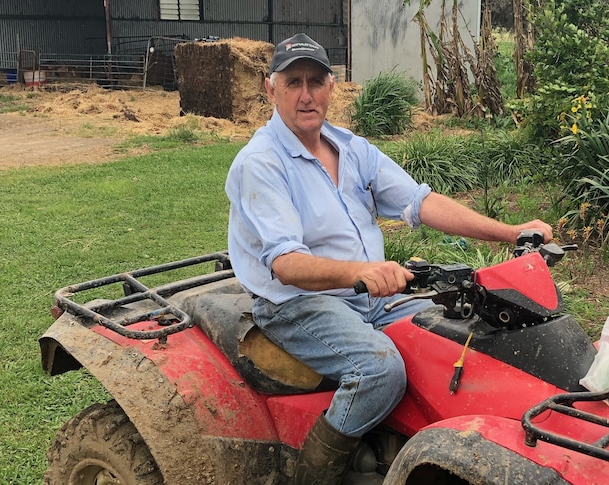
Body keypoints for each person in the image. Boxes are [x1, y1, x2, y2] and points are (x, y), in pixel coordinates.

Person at [225, 32, 554, 485]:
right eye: (293, 82)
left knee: (461, 338)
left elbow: (421, 203)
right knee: (378, 369)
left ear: (332, 88)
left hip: (373, 295)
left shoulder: (352, 149)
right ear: (270, 88)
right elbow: (286, 265)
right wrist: (363, 271)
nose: (306, 95)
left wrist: (511, 232)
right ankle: (313, 476)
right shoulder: (260, 163)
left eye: (316, 81)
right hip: (296, 303)